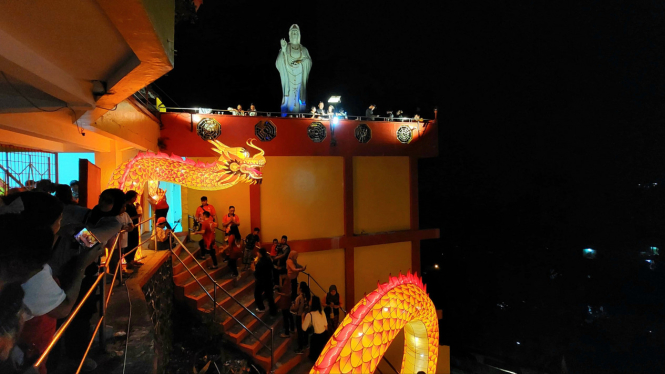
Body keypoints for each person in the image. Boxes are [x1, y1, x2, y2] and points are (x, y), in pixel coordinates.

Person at [276, 24, 312, 115]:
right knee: (289, 98)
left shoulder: (303, 49)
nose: (295, 34)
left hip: (300, 76)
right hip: (288, 77)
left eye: (296, 32)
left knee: (299, 96)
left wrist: (301, 62)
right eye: (293, 32)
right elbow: (279, 62)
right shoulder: (286, 47)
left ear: (299, 34)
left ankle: (300, 115)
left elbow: (309, 61)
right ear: (290, 34)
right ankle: (286, 115)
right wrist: (283, 50)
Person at [302, 295, 329, 360]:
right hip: (323, 335)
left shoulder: (310, 314)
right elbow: (326, 325)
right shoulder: (322, 312)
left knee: (315, 357)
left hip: (315, 337)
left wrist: (302, 317)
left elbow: (304, 328)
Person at [253, 248, 277, 315]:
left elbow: (257, 273)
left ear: (260, 254)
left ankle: (261, 307)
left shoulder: (259, 263)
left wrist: (253, 269)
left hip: (261, 281)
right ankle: (273, 311)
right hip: (269, 280)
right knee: (270, 296)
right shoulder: (269, 260)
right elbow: (272, 268)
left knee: (257, 294)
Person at [291, 282, 310, 355]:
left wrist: (292, 305)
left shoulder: (299, 298)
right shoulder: (308, 296)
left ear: (301, 289)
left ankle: (300, 348)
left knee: (300, 332)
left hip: (299, 316)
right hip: (306, 315)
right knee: (305, 331)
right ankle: (306, 344)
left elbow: (295, 308)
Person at [124, 191, 141, 269]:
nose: (135, 199)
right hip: (129, 229)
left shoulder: (132, 205)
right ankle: (129, 261)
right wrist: (137, 216)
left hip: (134, 226)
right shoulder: (126, 207)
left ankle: (132, 259)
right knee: (130, 244)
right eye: (134, 197)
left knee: (135, 243)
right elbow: (127, 219)